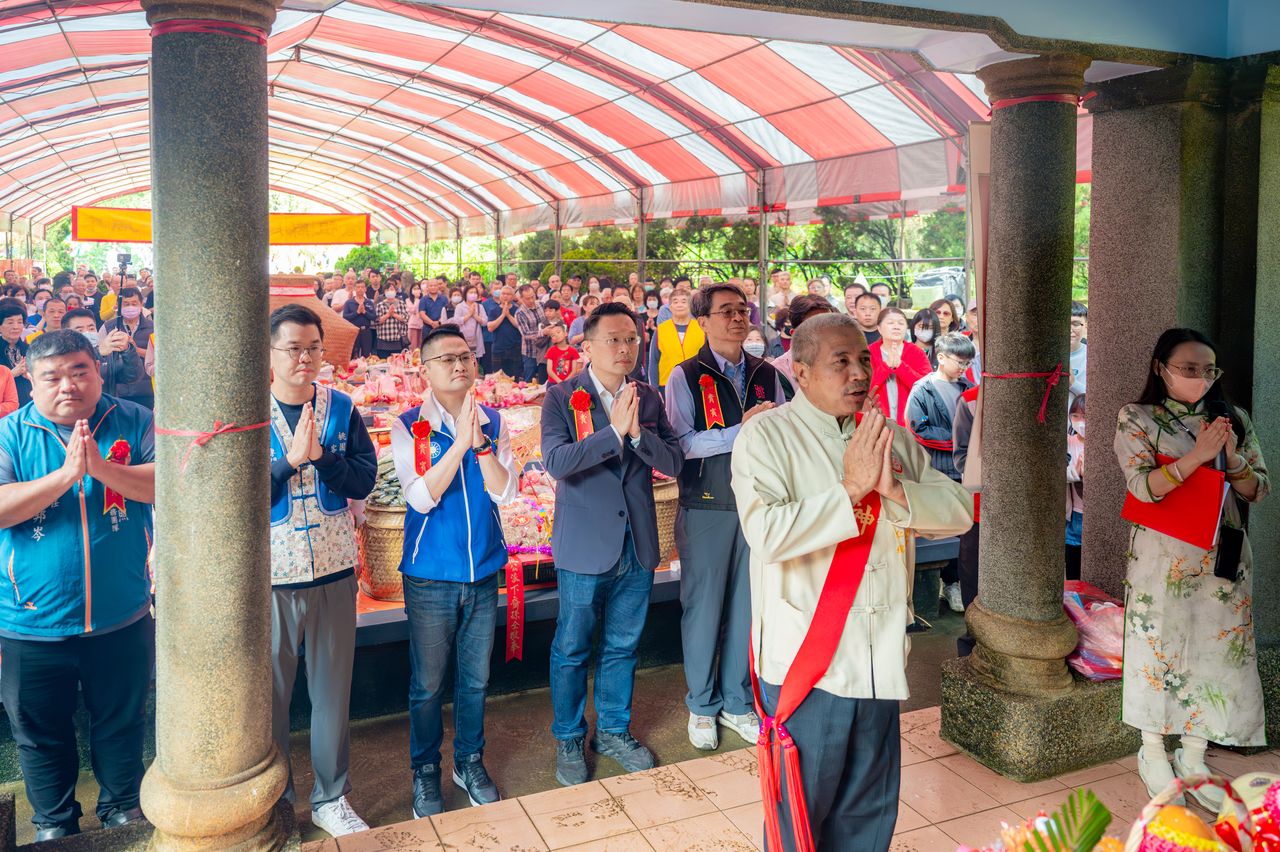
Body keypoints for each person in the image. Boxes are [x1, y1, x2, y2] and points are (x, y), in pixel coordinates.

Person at [731, 314, 972, 852]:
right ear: (800, 370)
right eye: (840, 361)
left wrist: (891, 490)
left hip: (881, 656)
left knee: (870, 810)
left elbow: (958, 512)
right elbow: (767, 534)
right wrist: (849, 489)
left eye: (863, 359)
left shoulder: (887, 436)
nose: (858, 372)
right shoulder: (766, 438)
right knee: (800, 813)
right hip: (809, 664)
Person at [0, 330, 156, 839]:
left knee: (122, 721)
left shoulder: (134, 419)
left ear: (97, 368)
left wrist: (104, 470)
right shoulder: (10, 434)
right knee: (40, 735)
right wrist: (66, 477)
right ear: (31, 381)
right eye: (52, 376)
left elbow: (167, 485)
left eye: (79, 371)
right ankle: (54, 826)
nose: (68, 385)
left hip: (122, 612)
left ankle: (122, 810)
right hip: (30, 623)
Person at [1114, 328, 1268, 808]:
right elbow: (1142, 487)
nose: (1200, 378)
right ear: (1161, 368)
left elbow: (1258, 488)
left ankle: (1195, 753)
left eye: (1208, 370)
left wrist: (1234, 459)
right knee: (1158, 648)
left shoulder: (1232, 417)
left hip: (1222, 557)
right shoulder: (1137, 417)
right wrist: (1198, 458)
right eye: (1188, 369)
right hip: (1163, 558)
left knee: (1214, 650)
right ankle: (1153, 750)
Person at [540, 302, 683, 787]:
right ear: (587, 346)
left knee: (623, 645)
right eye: (613, 340)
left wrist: (638, 433)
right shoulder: (562, 396)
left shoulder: (646, 397)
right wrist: (613, 433)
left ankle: (614, 731)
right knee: (572, 647)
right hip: (584, 545)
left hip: (637, 543)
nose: (624, 349)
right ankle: (568, 736)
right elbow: (558, 462)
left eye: (631, 341)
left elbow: (675, 460)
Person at [390, 326, 519, 817]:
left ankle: (469, 761)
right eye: (445, 359)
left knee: (476, 679)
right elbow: (419, 497)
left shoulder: (495, 420)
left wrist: (481, 444)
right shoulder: (409, 426)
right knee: (427, 683)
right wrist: (459, 445)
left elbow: (505, 492)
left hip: (484, 569)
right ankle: (425, 771)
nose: (459, 366)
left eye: (464, 357)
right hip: (430, 574)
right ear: (424, 369)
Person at [267, 305, 377, 836]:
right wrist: (290, 461)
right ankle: (276, 799)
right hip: (272, 577)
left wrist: (322, 459)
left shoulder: (342, 408)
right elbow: (237, 496)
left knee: (333, 691)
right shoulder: (249, 413)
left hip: (334, 569)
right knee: (271, 696)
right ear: (270, 353)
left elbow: (363, 479)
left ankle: (331, 796)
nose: (305, 358)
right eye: (293, 348)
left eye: (313, 347)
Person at [664, 283, 786, 751]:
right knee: (703, 607)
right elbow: (683, 443)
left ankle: (737, 700)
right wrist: (743, 430)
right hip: (707, 504)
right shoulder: (686, 375)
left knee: (747, 606)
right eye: (726, 312)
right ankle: (701, 704)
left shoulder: (765, 373)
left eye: (742, 310)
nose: (738, 318)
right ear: (703, 321)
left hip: (758, 505)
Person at [905, 332, 976, 613]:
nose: (963, 368)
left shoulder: (968, 387)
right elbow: (918, 428)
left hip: (964, 470)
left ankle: (956, 582)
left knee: (964, 530)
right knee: (942, 529)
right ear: (941, 357)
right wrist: (958, 440)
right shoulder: (922, 389)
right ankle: (947, 583)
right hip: (937, 468)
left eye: (968, 362)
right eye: (959, 361)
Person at [870, 307, 932, 426]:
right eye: (890, 323)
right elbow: (865, 387)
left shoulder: (916, 352)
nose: (896, 326)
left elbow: (926, 388)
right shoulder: (869, 352)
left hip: (912, 421)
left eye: (901, 323)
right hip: (877, 421)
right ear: (879, 328)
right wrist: (886, 366)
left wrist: (900, 367)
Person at [64, 308, 143, 395]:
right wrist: (98, 352)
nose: (87, 332)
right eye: (80, 330)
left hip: (106, 406)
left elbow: (132, 377)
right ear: (66, 333)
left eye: (91, 328)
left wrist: (127, 350)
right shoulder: (61, 357)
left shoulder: (107, 354)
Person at [770, 295, 835, 387]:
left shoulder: (848, 361)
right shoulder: (778, 371)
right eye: (815, 327)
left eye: (830, 324)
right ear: (795, 335)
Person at [647, 289, 703, 391]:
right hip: (666, 386)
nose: (679, 305)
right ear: (670, 307)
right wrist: (654, 389)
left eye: (684, 301)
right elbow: (654, 361)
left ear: (690, 306)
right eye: (675, 302)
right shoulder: (661, 330)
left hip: (696, 384)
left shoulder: (701, 329)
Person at [1065, 393, 1085, 582]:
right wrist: (1075, 472)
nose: (1079, 421)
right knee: (1073, 555)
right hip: (1075, 512)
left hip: (1095, 511)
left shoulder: (1103, 444)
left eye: (1084, 416)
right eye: (1075, 416)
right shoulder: (1067, 443)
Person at [484, 285, 523, 378]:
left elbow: (520, 326)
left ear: (513, 296)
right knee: (498, 377)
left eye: (508, 294)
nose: (505, 296)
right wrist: (502, 315)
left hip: (514, 348)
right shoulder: (493, 310)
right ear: (500, 295)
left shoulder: (518, 310)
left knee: (514, 377)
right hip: (498, 348)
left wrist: (508, 315)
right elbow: (490, 328)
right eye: (503, 294)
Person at [515, 285, 549, 382]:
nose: (531, 300)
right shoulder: (520, 313)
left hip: (544, 351)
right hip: (530, 352)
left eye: (532, 297)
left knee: (543, 380)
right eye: (527, 298)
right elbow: (525, 334)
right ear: (521, 298)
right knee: (528, 380)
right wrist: (543, 332)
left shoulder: (542, 305)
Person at [0, 299, 31, 405]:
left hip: (30, 403)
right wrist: (11, 374)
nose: (16, 327)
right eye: (10, 322)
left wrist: (31, 375)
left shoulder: (30, 349)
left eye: (20, 322)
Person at [445, 284, 487, 361]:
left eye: (475, 292)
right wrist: (469, 315)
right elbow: (456, 321)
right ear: (465, 294)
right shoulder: (460, 306)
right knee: (463, 358)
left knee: (474, 360)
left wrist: (475, 316)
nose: (473, 294)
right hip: (463, 337)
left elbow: (484, 322)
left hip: (476, 338)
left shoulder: (479, 307)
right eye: (471, 292)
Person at [373, 281, 410, 358]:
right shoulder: (380, 305)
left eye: (392, 289)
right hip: (383, 341)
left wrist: (393, 314)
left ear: (396, 291)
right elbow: (377, 321)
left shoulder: (401, 304)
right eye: (388, 290)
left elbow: (406, 319)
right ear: (385, 292)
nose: (390, 291)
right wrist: (388, 314)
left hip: (398, 340)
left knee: (397, 364)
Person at [342, 279, 376, 358]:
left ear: (365, 289)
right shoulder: (349, 302)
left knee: (366, 355)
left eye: (362, 287)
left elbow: (374, 317)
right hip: (354, 331)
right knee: (353, 355)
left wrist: (364, 312)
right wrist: (357, 312)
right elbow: (345, 317)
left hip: (366, 331)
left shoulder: (369, 302)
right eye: (358, 287)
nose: (360, 289)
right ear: (354, 289)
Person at [1069, 301, 1087, 404]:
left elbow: (1100, 400)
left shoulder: (1092, 357)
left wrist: (1073, 384)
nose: (1069, 329)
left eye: (1075, 324)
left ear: (1086, 327)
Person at [407, 281, 425, 353]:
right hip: (413, 325)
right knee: (413, 346)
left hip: (422, 325)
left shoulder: (423, 300)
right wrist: (416, 299)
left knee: (421, 345)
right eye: (415, 289)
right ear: (411, 291)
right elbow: (413, 310)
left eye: (418, 288)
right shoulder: (408, 300)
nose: (417, 290)